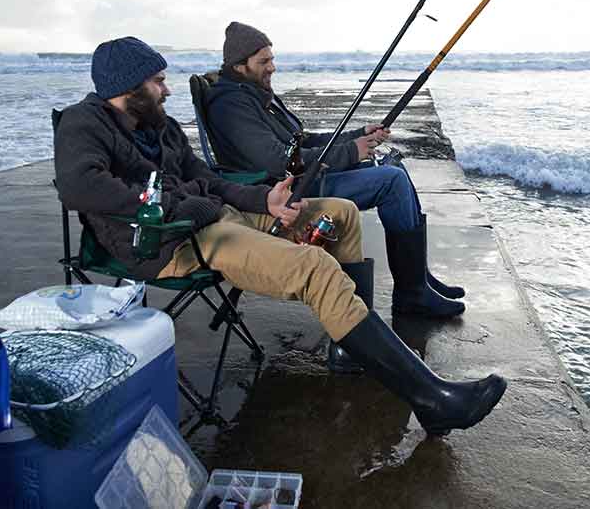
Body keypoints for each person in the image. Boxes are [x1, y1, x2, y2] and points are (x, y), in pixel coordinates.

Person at [53, 36, 507, 436]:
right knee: (314, 266)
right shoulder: (83, 124)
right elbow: (79, 186)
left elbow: (206, 177)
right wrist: (176, 208)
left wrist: (263, 201)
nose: (166, 89)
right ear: (127, 89)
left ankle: (348, 345)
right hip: (169, 242)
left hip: (214, 218)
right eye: (157, 81)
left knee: (342, 213)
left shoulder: (161, 126)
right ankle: (433, 401)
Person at [204, 22, 467, 325]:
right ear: (239, 65)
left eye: (271, 58)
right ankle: (411, 295)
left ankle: (416, 277)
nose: (272, 67)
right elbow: (279, 163)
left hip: (304, 177)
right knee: (391, 181)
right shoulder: (231, 106)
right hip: (288, 191)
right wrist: (351, 151)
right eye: (263, 61)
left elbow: (301, 142)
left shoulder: (256, 95)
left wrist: (357, 135)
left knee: (394, 166)